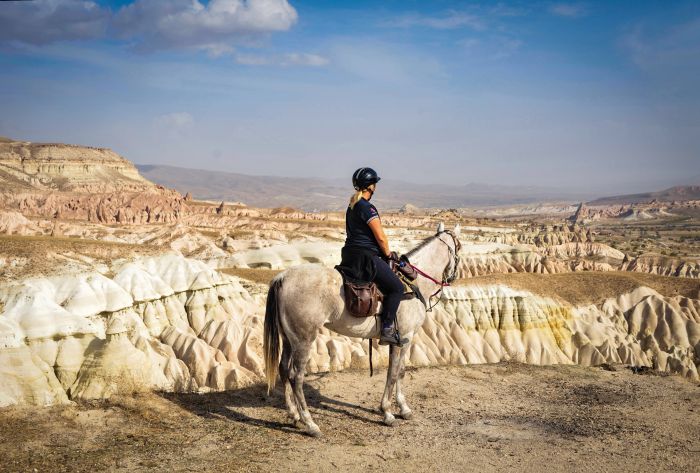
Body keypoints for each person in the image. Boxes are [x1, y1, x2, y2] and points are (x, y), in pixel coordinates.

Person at [338, 167, 406, 346]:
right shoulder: (367, 208)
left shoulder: (351, 206)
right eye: (375, 184)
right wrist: (388, 254)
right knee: (397, 288)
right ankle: (386, 329)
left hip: (349, 257)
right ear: (371, 187)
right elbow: (381, 238)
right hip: (366, 258)